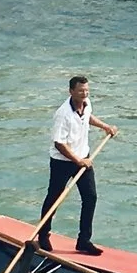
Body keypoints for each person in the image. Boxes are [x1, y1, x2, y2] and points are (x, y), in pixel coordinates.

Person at [40, 75, 119, 256]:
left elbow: (88, 117)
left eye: (86, 90)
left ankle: (84, 241)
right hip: (63, 161)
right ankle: (43, 234)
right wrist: (77, 160)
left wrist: (105, 127)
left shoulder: (86, 102)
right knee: (55, 197)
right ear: (71, 92)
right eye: (81, 91)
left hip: (84, 157)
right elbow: (59, 143)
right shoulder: (63, 114)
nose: (84, 94)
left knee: (90, 197)